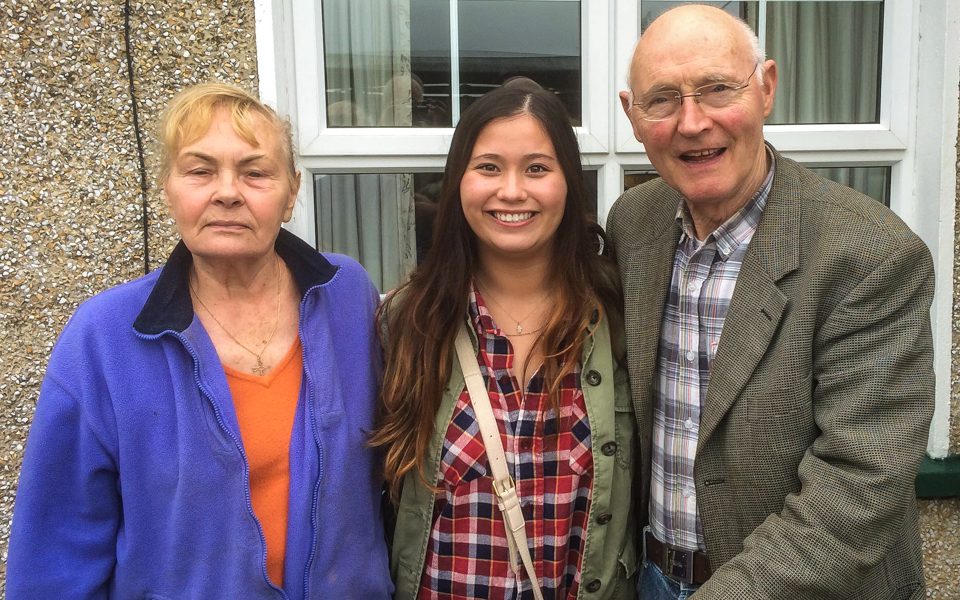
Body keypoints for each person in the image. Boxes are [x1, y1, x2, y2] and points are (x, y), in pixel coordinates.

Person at [7, 83, 393, 599]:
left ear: (292, 192)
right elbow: (56, 550)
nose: (228, 192)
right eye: (200, 170)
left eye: (255, 172)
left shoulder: (346, 297)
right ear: (168, 188)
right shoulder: (105, 336)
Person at [607, 5, 934, 599]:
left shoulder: (868, 251)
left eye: (716, 89)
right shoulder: (635, 221)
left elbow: (860, 483)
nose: (692, 121)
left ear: (767, 89)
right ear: (632, 116)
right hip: (653, 578)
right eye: (663, 99)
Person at [373, 86, 637, 599]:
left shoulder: (617, 318)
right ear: (458, 182)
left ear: (568, 183)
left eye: (537, 168)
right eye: (489, 167)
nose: (512, 191)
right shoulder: (408, 321)